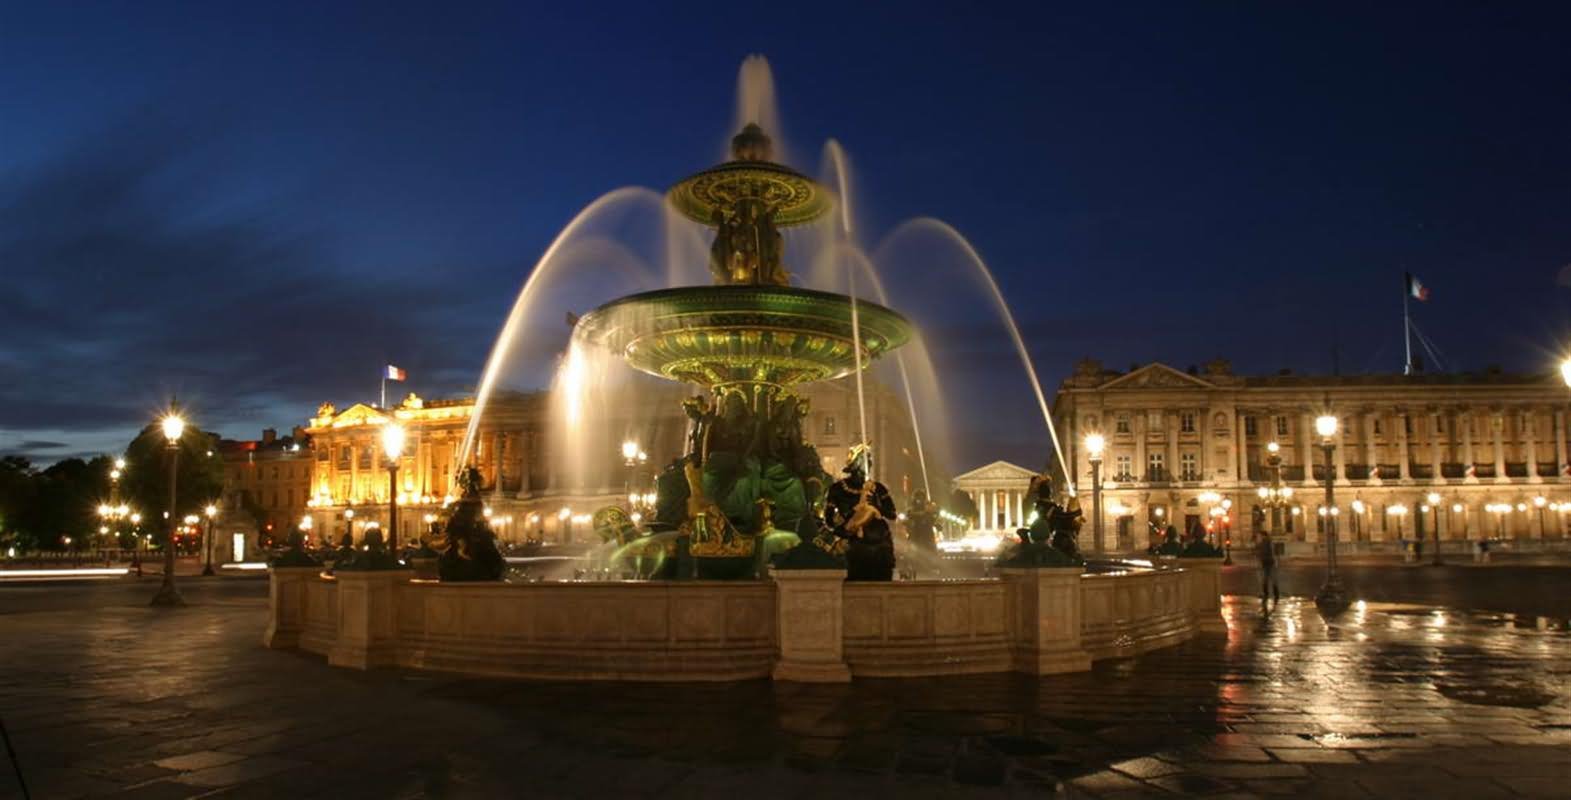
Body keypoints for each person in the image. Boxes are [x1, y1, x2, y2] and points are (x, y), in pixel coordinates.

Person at [1256, 531, 1280, 603]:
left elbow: (1264, 553)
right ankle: (1274, 594)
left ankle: (1267, 594)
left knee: (1266, 579)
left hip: (1268, 562)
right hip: (1268, 562)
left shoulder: (1265, 543)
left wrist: (1259, 561)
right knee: (1270, 579)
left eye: (1259, 536)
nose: (1258, 537)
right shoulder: (1266, 542)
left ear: (1263, 536)